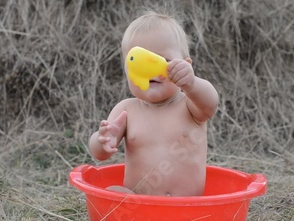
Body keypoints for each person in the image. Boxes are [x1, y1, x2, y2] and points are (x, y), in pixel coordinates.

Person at [88, 10, 219, 196]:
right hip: (139, 207)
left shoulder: (190, 105)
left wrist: (192, 83)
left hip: (187, 207)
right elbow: (100, 154)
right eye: (138, 63)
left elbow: (211, 104)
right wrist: (102, 141)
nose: (150, 71)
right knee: (113, 194)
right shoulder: (126, 110)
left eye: (164, 61)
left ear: (185, 65)